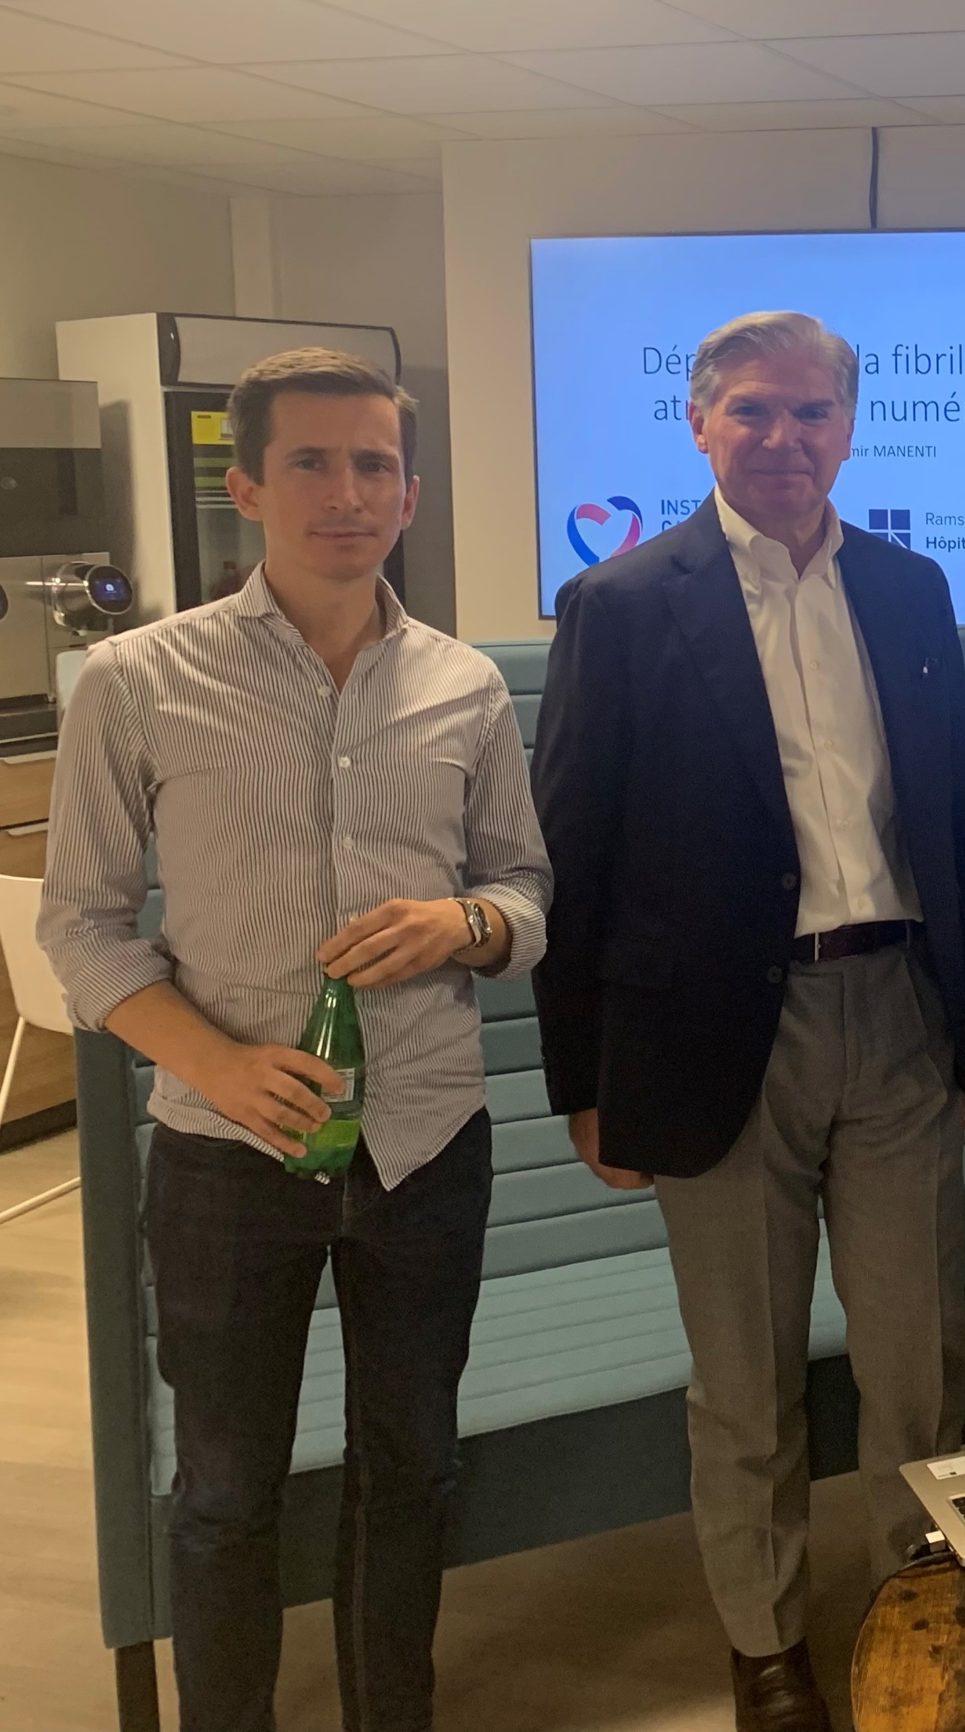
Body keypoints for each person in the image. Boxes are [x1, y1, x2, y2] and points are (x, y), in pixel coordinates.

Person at [40, 347, 551, 1732]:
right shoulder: (135, 680)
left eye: (375, 465)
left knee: (413, 1469)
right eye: (312, 462)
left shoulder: (464, 685)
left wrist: (466, 923)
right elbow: (81, 924)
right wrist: (211, 1062)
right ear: (250, 486)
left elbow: (525, 889)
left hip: (425, 1141)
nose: (348, 492)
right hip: (226, 1151)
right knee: (222, 1492)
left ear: (411, 492)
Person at [531, 311, 965, 1732]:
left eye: (812, 412)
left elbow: (960, 813)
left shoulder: (910, 588)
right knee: (746, 1379)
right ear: (699, 424)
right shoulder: (620, 604)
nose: (784, 438)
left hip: (900, 1013)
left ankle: (911, 1609)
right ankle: (767, 1645)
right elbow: (572, 857)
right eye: (753, 410)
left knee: (917, 1355)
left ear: (849, 428)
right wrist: (585, 1078)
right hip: (714, 1040)